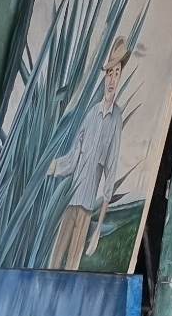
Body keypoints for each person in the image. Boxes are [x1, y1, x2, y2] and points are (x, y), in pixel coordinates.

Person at [46, 36, 130, 269]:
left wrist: (97, 231)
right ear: (104, 77)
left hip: (86, 211)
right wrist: (48, 167)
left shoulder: (116, 119)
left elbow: (110, 173)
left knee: (72, 267)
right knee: (54, 263)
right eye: (109, 73)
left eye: (116, 73)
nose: (112, 79)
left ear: (120, 77)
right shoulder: (91, 114)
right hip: (69, 203)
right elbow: (73, 159)